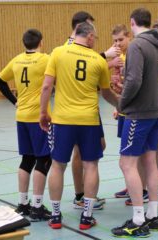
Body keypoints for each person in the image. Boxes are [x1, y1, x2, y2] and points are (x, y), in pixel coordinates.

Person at [40, 22, 118, 230]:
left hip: (63, 120)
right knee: (91, 165)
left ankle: (56, 216)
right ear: (90, 37)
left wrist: (42, 113)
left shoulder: (58, 52)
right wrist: (123, 105)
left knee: (58, 165)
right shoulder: (99, 60)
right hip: (89, 121)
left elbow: (47, 85)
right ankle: (87, 216)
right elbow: (107, 93)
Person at [111, 8, 158, 238]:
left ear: (132, 22)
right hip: (156, 111)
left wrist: (121, 103)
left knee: (127, 164)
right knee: (150, 162)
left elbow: (133, 81)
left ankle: (137, 220)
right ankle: (152, 216)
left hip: (139, 113)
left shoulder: (136, 45)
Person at [65, 11, 120, 210]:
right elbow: (80, 68)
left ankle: (83, 195)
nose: (93, 34)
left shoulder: (77, 49)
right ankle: (82, 196)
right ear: (81, 28)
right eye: (90, 28)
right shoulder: (71, 48)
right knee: (84, 154)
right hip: (78, 109)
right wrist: (105, 57)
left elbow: (86, 74)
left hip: (86, 107)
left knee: (98, 146)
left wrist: (107, 66)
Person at [0, 29, 52, 221]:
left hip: (21, 116)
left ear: (24, 43)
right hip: (38, 117)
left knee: (27, 159)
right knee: (44, 159)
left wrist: (14, 101)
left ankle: (23, 203)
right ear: (41, 42)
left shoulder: (16, 60)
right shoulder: (45, 59)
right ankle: (37, 207)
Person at [110, 24, 149, 204]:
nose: (118, 44)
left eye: (120, 40)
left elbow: (135, 83)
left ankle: (142, 189)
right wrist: (118, 102)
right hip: (125, 110)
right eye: (115, 41)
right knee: (128, 152)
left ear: (129, 37)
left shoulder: (134, 54)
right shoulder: (119, 57)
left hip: (136, 112)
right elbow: (122, 87)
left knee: (136, 155)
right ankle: (132, 185)